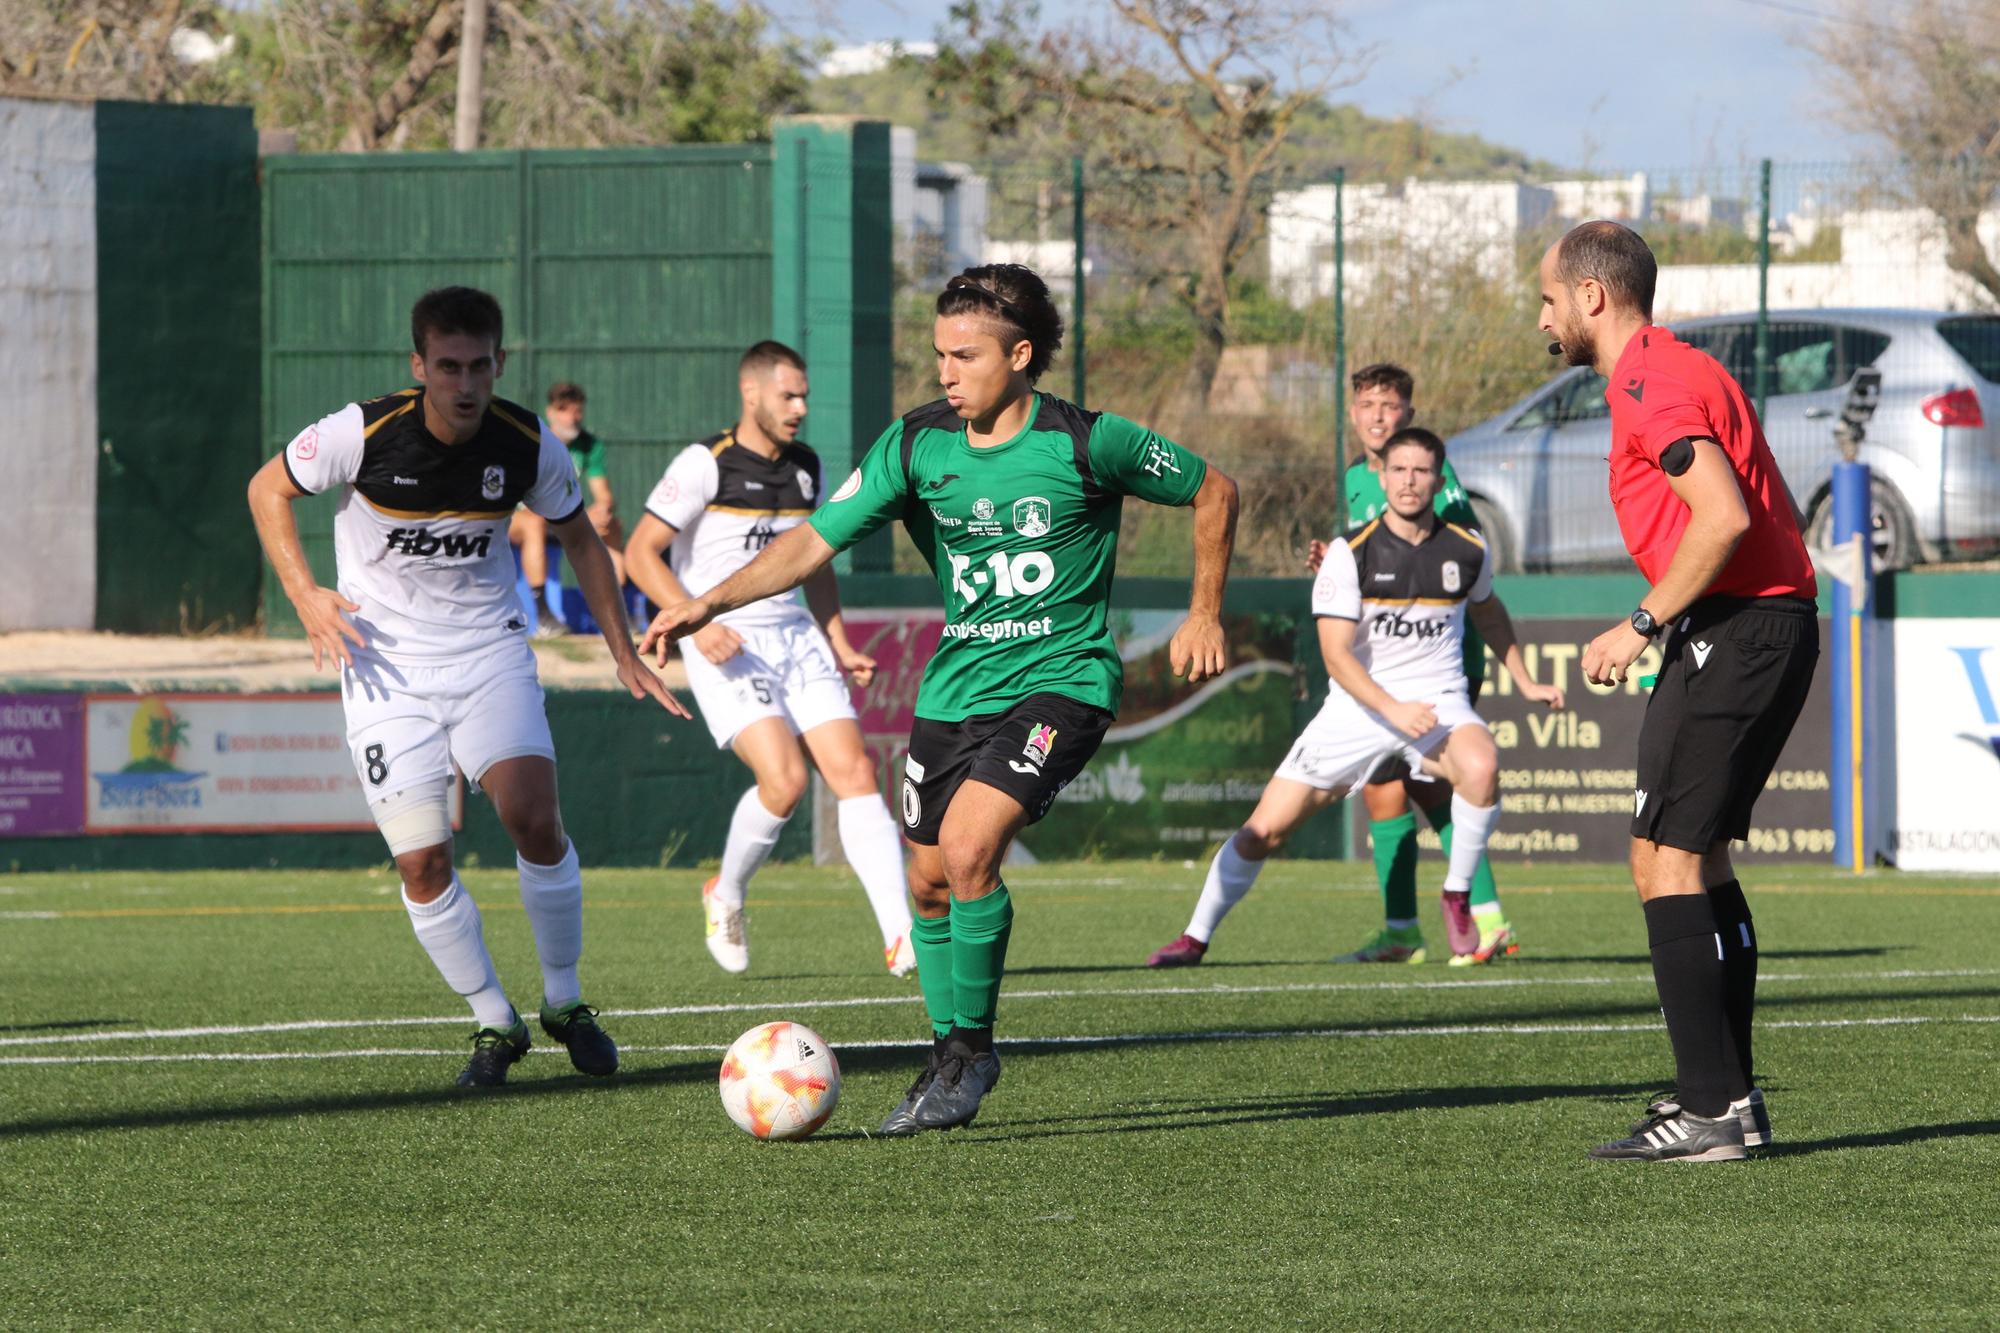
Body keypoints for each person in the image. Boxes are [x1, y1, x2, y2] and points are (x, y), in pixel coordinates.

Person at [642, 263, 1238, 1134]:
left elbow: (1213, 489)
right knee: (925, 885)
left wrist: (1205, 609)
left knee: (966, 849)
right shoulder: (915, 445)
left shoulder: (1087, 440)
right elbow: (813, 542)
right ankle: (947, 1050)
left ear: (1021, 354)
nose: (945, 371)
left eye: (964, 355)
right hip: (956, 688)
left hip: (1062, 680)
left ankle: (970, 1056)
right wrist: (705, 601)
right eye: (939, 354)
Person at [247, 286, 689, 1089]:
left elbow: (583, 542)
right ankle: (493, 1017)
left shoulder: (527, 443)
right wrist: (306, 593)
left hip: (487, 653)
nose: (464, 382)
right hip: (383, 668)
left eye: (479, 365)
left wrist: (621, 650)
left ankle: (565, 1000)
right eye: (446, 366)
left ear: (499, 363)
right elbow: (265, 488)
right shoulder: (362, 431)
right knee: (421, 862)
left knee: (534, 819)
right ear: (419, 366)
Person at [1539, 221, 1818, 1162]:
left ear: (1591, 297)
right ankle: (1729, 1099)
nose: (1543, 318)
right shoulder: (1669, 369)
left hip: (1738, 626)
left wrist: (1643, 621)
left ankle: (1708, 1111)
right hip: (1744, 625)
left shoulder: (1651, 383)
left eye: (1548, 299)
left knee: (1666, 857)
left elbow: (1726, 515)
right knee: (1688, 855)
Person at [1148, 428, 1563, 968]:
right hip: (1358, 709)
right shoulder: (1351, 552)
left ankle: (1457, 894)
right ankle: (1194, 937)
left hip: (1438, 702)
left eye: (1421, 471)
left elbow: (1488, 612)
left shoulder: (1468, 549)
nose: (1409, 481)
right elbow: (1337, 656)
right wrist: (1392, 710)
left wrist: (1526, 679)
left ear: (1439, 481)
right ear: (1382, 477)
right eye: (1399, 470)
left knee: (1482, 766)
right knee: (1263, 830)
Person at [624, 341, 917, 978]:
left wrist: (837, 640)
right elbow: (640, 553)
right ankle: (725, 894)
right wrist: (697, 624)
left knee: (855, 772)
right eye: (788, 395)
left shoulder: (808, 465)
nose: (800, 407)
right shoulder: (707, 463)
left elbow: (813, 561)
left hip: (797, 638)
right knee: (783, 782)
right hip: (725, 638)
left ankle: (901, 935)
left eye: (805, 395)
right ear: (751, 393)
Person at [510, 381, 625, 635]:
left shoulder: (589, 446)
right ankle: (542, 615)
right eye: (564, 410)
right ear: (551, 411)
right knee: (534, 521)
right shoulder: (533, 439)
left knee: (611, 526)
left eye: (577, 411)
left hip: (559, 519)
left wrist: (602, 510)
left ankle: (621, 611)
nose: (572, 418)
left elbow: (604, 495)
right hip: (517, 520)